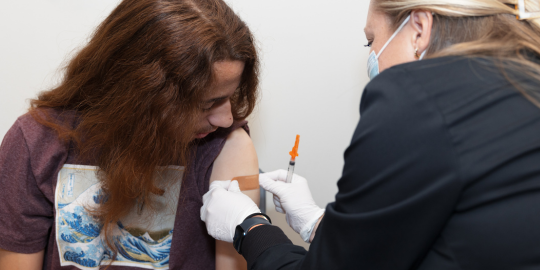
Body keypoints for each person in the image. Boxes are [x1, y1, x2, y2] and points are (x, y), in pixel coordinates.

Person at [201, 0, 540, 269]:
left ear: (419, 28)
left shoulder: (416, 99)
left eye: (371, 40)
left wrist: (250, 227)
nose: (371, 56)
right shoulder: (523, 83)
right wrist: (318, 223)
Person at [0, 0, 260, 269]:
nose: (227, 119)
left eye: (229, 97)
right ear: (139, 93)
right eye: (206, 104)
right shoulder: (35, 141)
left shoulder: (228, 145)